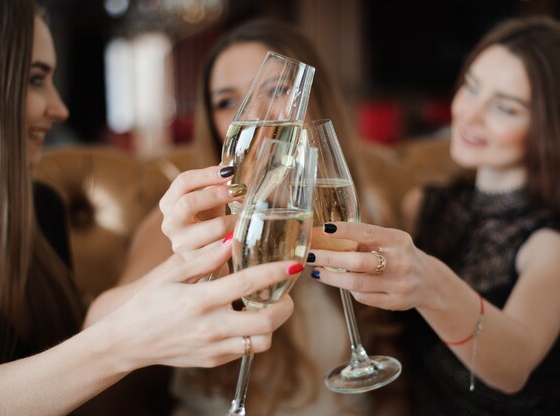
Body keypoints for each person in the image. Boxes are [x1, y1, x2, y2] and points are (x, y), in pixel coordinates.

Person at [0, 1, 296, 414]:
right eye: (35, 78)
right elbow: (96, 331)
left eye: (278, 90)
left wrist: (188, 265)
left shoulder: (39, 209)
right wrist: (128, 340)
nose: (60, 108)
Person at [306, 16, 560, 415]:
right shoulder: (423, 205)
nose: (469, 115)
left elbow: (514, 368)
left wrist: (431, 282)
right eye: (471, 88)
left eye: (505, 108)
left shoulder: (557, 240)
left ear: (556, 127)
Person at [125, 19, 400, 415]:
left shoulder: (359, 208)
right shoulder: (191, 220)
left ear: (311, 98)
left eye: (276, 90)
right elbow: (99, 324)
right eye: (226, 101)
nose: (254, 114)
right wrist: (188, 267)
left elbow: (389, 366)